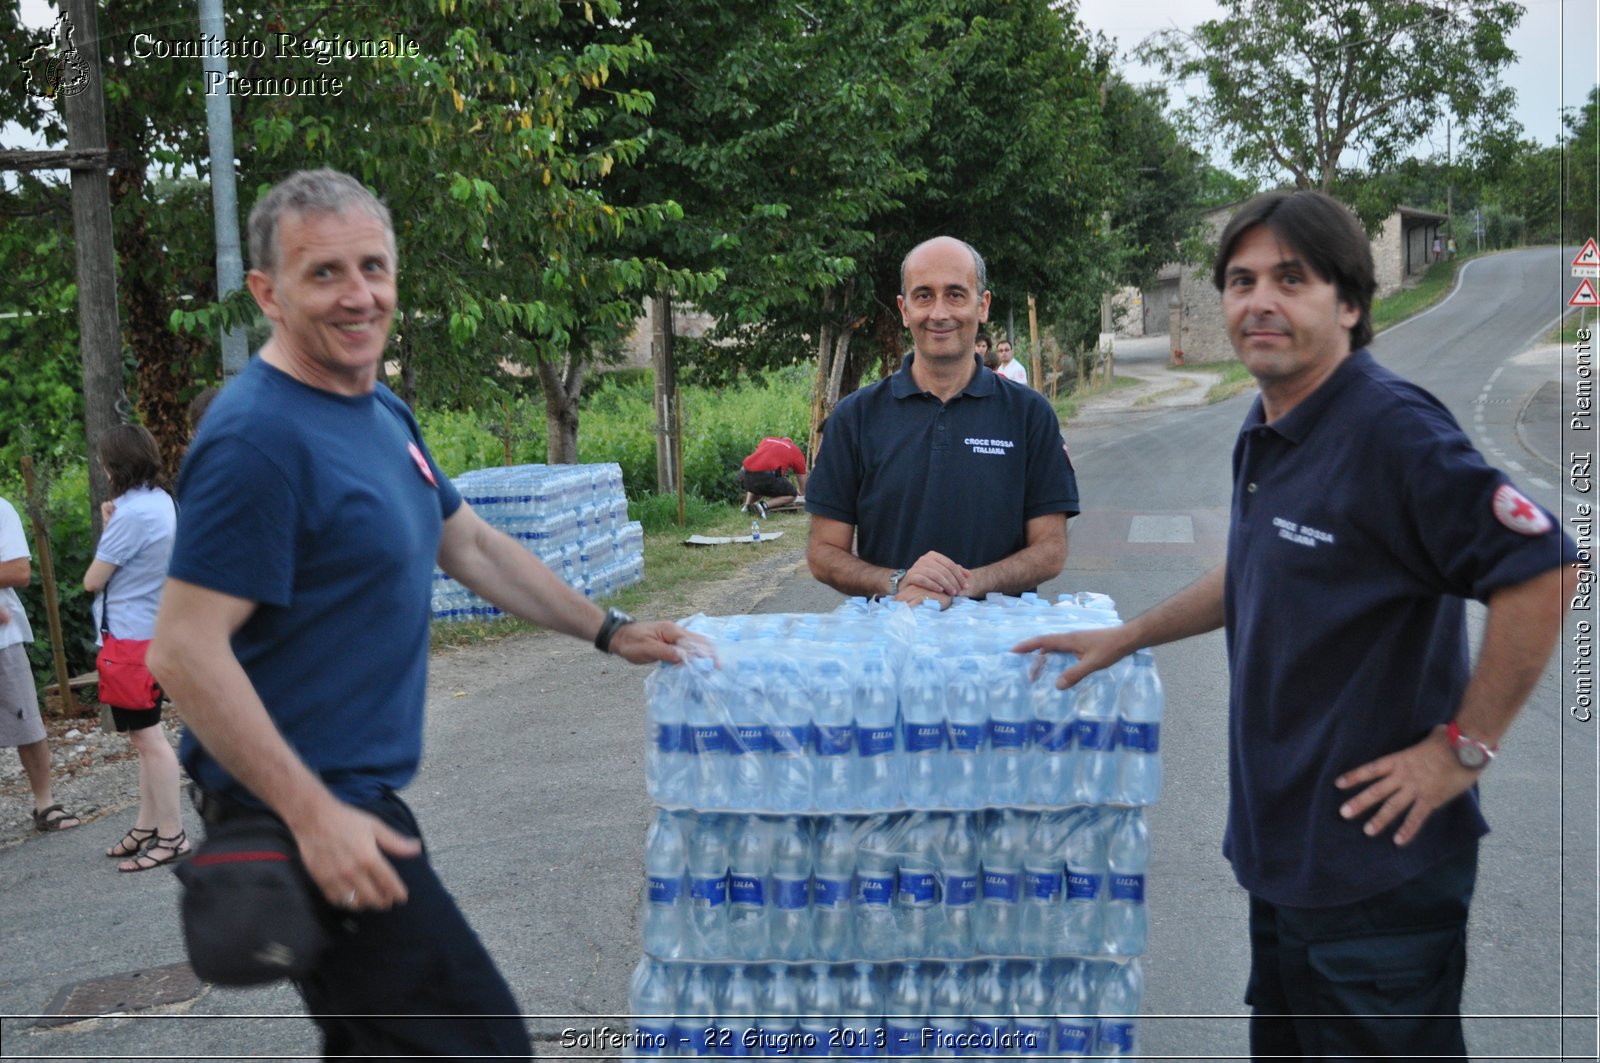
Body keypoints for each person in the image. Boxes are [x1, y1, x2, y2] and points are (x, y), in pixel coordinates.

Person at [146, 169, 698, 1059]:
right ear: (267, 292)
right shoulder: (258, 438)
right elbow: (182, 648)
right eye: (324, 272)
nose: (358, 294)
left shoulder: (375, 408)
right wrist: (313, 815)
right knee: (472, 1043)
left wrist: (609, 628)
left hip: (354, 799)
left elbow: (469, 544)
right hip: (304, 806)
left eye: (374, 267)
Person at [1014, 190, 1578, 1060]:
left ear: (1350, 303)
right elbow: (1256, 570)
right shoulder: (1271, 421)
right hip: (1289, 861)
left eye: (1291, 277)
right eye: (1241, 281)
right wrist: (1129, 635)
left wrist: (1463, 747)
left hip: (1379, 876)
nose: (1258, 301)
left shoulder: (1392, 432)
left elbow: (1542, 567)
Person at [804, 236, 1078, 607]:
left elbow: (1050, 549)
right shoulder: (854, 418)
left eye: (955, 294)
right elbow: (823, 552)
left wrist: (964, 585)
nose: (938, 313)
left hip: (1001, 651)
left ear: (982, 306)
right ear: (903, 309)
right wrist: (898, 582)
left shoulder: (1029, 415)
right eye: (923, 296)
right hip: (892, 645)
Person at [83, 424, 185, 872]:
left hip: (130, 637)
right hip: (154, 629)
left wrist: (110, 528)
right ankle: (147, 826)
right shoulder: (161, 501)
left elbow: (93, 579)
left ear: (113, 466)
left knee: (149, 739)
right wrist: (112, 522)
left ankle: (173, 835)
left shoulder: (131, 514)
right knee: (145, 740)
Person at [0, 495, 82, 834]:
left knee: (27, 721)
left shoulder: (1, 509)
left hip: (2, 639)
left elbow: (19, 570)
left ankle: (45, 804)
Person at [738, 434, 808, 517]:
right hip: (765, 476)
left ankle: (747, 506)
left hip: (743, 473)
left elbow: (758, 463)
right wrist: (801, 491)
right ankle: (763, 506)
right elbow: (802, 479)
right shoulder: (795, 450)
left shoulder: (767, 440)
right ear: (792, 443)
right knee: (792, 494)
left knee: (757, 477)